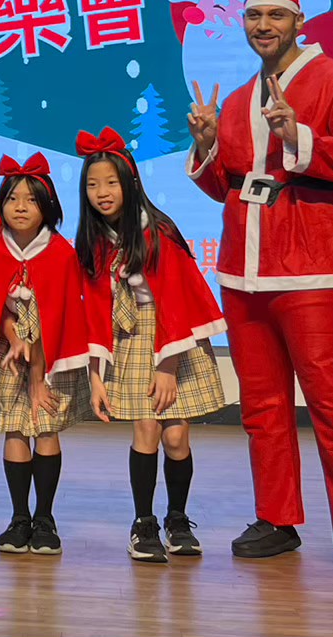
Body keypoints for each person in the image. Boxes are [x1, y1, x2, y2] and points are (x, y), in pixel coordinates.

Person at [187, 0, 333, 588]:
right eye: (254, 16)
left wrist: (299, 137)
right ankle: (277, 517)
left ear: (298, 21)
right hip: (244, 269)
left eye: (275, 16)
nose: (263, 26)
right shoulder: (237, 100)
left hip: (312, 264)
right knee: (262, 404)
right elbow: (228, 187)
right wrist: (207, 147)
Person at [77, 128, 227, 564]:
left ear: (130, 182)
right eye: (93, 184)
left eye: (111, 182)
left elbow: (177, 301)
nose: (102, 193)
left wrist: (167, 366)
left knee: (176, 437)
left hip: (172, 341)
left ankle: (177, 519)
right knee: (146, 429)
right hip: (130, 341)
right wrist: (94, 375)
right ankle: (144, 524)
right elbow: (94, 312)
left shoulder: (157, 232)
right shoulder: (94, 242)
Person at [0, 153, 92, 556]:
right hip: (8, 355)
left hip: (51, 354)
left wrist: (38, 374)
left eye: (31, 199)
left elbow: (59, 313)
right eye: (13, 198)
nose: (21, 207)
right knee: (15, 429)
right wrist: (13, 338)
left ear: (47, 206)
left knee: (44, 426)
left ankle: (44, 518)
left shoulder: (61, 252)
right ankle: (19, 517)